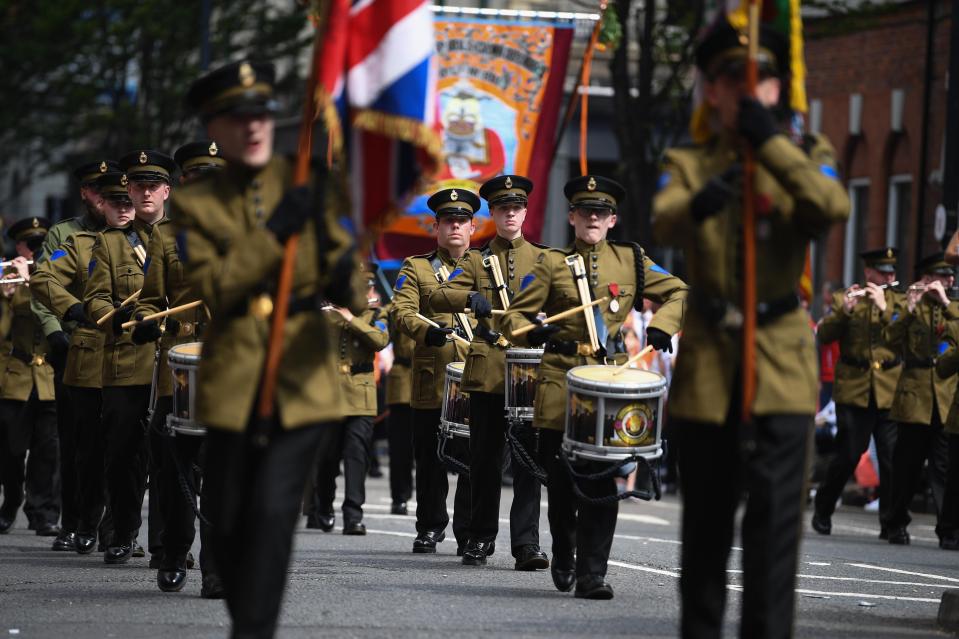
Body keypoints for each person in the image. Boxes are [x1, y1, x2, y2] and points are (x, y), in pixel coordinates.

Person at [652, 18, 850, 637]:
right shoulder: (689, 159)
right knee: (707, 530)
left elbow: (829, 208)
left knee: (773, 532)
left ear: (775, 90)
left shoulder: (806, 154)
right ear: (710, 91)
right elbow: (663, 219)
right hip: (712, 363)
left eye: (759, 79)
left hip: (782, 364)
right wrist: (703, 200)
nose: (746, 90)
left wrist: (771, 145)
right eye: (731, 79)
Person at [170, 60, 363, 638]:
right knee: (227, 519)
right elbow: (220, 286)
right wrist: (277, 232)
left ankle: (253, 630)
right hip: (235, 375)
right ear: (215, 126)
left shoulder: (306, 180)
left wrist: (340, 251)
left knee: (276, 513)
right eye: (238, 117)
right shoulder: (198, 202)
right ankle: (243, 610)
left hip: (302, 372)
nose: (254, 126)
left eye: (261, 114)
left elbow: (350, 290)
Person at [501, 174, 687, 599]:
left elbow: (679, 292)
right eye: (585, 212)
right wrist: (534, 332)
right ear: (571, 217)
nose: (592, 218)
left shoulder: (632, 261)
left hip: (609, 381)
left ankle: (593, 575)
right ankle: (564, 550)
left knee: (602, 482)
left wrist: (662, 325)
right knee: (563, 481)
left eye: (600, 213)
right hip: (561, 381)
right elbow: (511, 319)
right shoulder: (550, 263)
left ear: (613, 220)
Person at [429, 174, 549, 569]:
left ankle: (527, 545)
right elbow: (438, 294)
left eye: (516, 207)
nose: (510, 213)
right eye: (502, 208)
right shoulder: (478, 260)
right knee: (484, 459)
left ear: (526, 211)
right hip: (488, 372)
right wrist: (471, 296)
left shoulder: (546, 259)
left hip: (530, 372)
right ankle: (480, 538)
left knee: (531, 463)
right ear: (493, 214)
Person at [130, 140, 226, 596]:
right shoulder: (166, 236)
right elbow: (151, 297)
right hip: (181, 362)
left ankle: (218, 569)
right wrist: (146, 322)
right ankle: (172, 552)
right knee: (174, 468)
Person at [32, 170, 132, 554]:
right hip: (88, 354)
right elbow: (45, 279)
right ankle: (82, 522)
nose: (123, 208)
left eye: (129, 201)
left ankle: (120, 530)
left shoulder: (153, 240)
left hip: (138, 356)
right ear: (98, 201)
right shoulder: (74, 240)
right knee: (84, 448)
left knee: (128, 450)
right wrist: (71, 312)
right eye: (114, 201)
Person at [84, 150, 176, 565]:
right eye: (136, 186)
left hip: (174, 364)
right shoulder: (110, 242)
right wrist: (118, 315)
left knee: (172, 459)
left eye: (151, 185)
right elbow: (96, 299)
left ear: (166, 191)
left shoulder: (183, 238)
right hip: (127, 361)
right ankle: (122, 532)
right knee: (123, 454)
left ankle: (166, 545)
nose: (143, 193)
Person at [390, 187, 475, 555]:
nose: (455, 226)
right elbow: (401, 311)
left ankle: (469, 530)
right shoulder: (417, 267)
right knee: (429, 458)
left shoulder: (485, 266)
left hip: (473, 377)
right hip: (432, 376)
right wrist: (428, 330)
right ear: (437, 226)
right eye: (448, 221)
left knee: (473, 458)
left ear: (473, 227)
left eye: (461, 221)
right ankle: (429, 526)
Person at [812, 248, 903, 538]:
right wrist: (845, 311)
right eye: (883, 272)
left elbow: (904, 337)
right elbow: (825, 336)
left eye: (892, 272)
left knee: (890, 457)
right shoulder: (844, 298)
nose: (890, 277)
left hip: (888, 388)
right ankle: (823, 508)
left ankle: (892, 523)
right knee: (849, 454)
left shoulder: (900, 302)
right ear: (868, 273)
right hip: (855, 388)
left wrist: (885, 309)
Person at [308, 268, 390, 535]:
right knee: (327, 457)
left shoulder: (376, 314)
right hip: (329, 395)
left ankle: (353, 515)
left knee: (357, 456)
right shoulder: (323, 312)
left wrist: (350, 318)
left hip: (361, 395)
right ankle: (323, 506)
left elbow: (379, 340)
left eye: (366, 288)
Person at [884, 252, 958, 545]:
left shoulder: (953, 306)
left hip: (944, 396)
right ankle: (895, 523)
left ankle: (947, 528)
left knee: (943, 467)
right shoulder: (907, 303)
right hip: (914, 397)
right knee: (907, 466)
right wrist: (910, 310)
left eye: (951, 276)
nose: (950, 280)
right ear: (927, 278)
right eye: (943, 276)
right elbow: (889, 339)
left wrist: (946, 303)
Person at [0, 217, 59, 537]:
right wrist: (12, 290)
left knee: (47, 450)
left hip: (48, 375)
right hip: (16, 375)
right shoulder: (8, 274)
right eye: (29, 245)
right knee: (10, 448)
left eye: (41, 244)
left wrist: (34, 279)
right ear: (19, 247)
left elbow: (53, 308)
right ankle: (10, 500)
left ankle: (43, 512)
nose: (36, 251)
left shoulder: (55, 272)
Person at [384, 306, 415, 516]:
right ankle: (400, 496)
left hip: (434, 379)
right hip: (404, 379)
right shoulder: (396, 308)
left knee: (429, 449)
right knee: (400, 446)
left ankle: (430, 501)